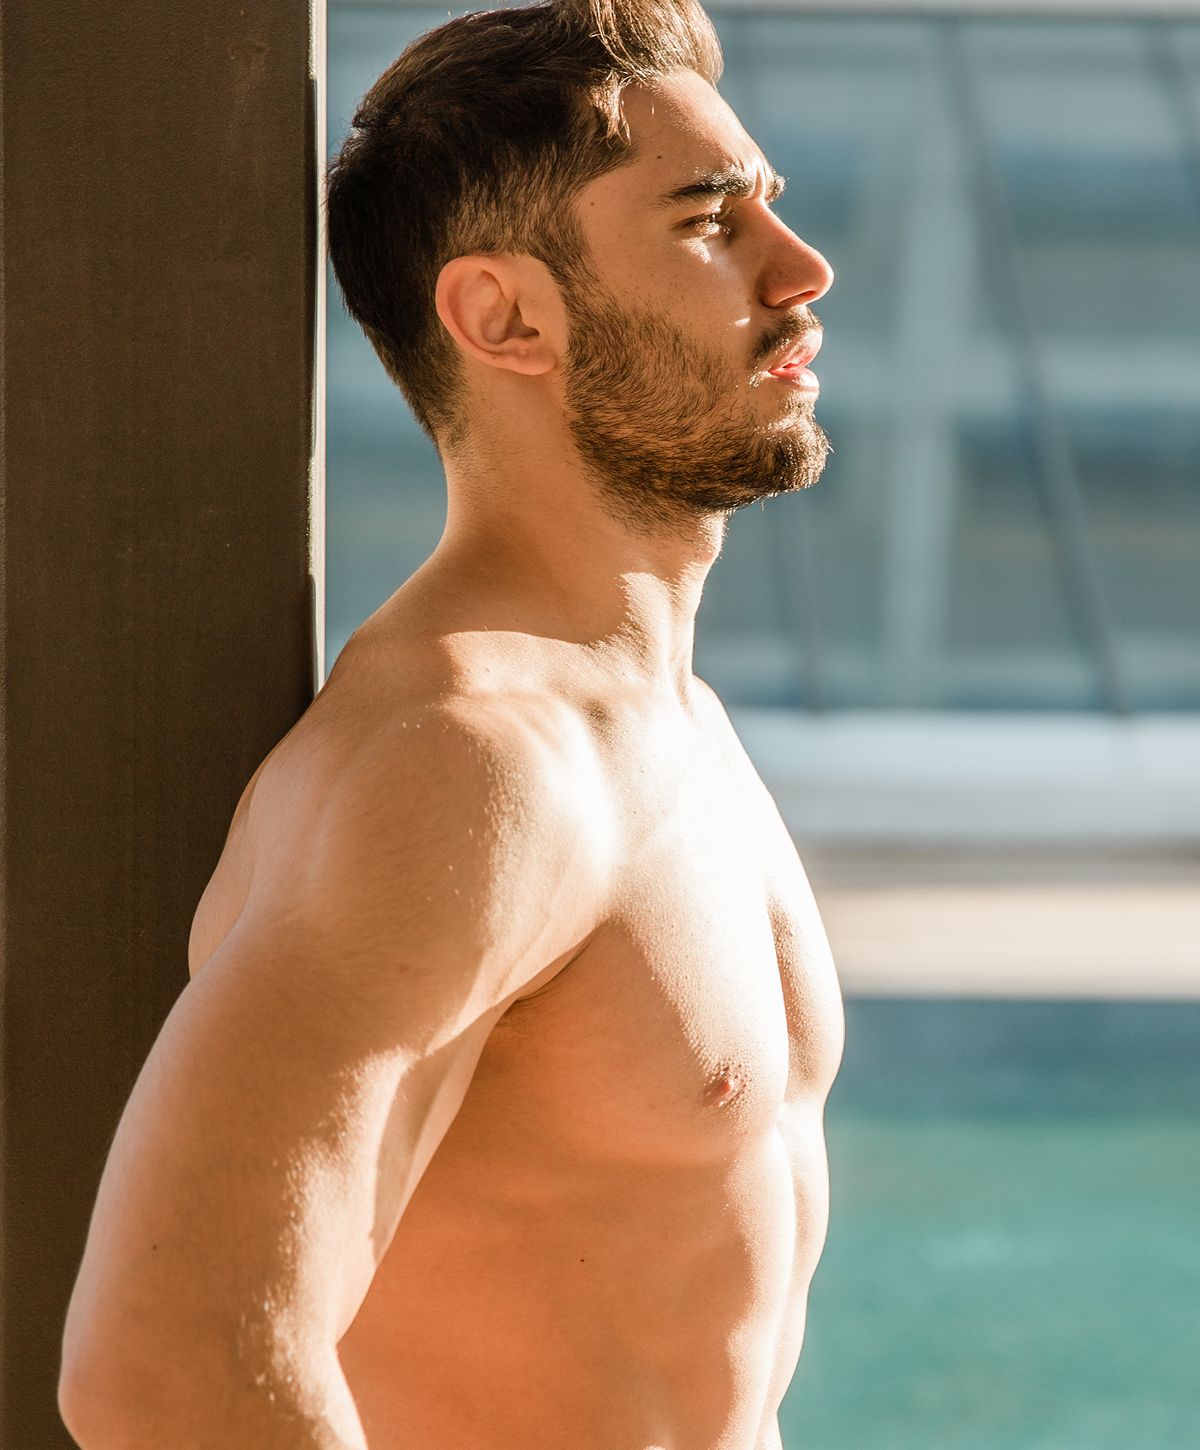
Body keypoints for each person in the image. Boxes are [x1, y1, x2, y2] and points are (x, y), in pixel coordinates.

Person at [58, 1, 844, 1445]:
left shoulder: (671, 724)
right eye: (708, 222)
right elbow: (166, 1369)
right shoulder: (466, 763)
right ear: (504, 316)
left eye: (768, 208)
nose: (802, 269)